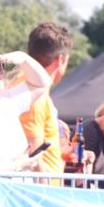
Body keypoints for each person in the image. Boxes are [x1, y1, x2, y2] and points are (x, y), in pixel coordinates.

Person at [19, 21, 73, 177]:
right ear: (60, 60)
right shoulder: (35, 95)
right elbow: (34, 153)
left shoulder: (26, 87)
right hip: (40, 191)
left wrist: (62, 153)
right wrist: (45, 191)